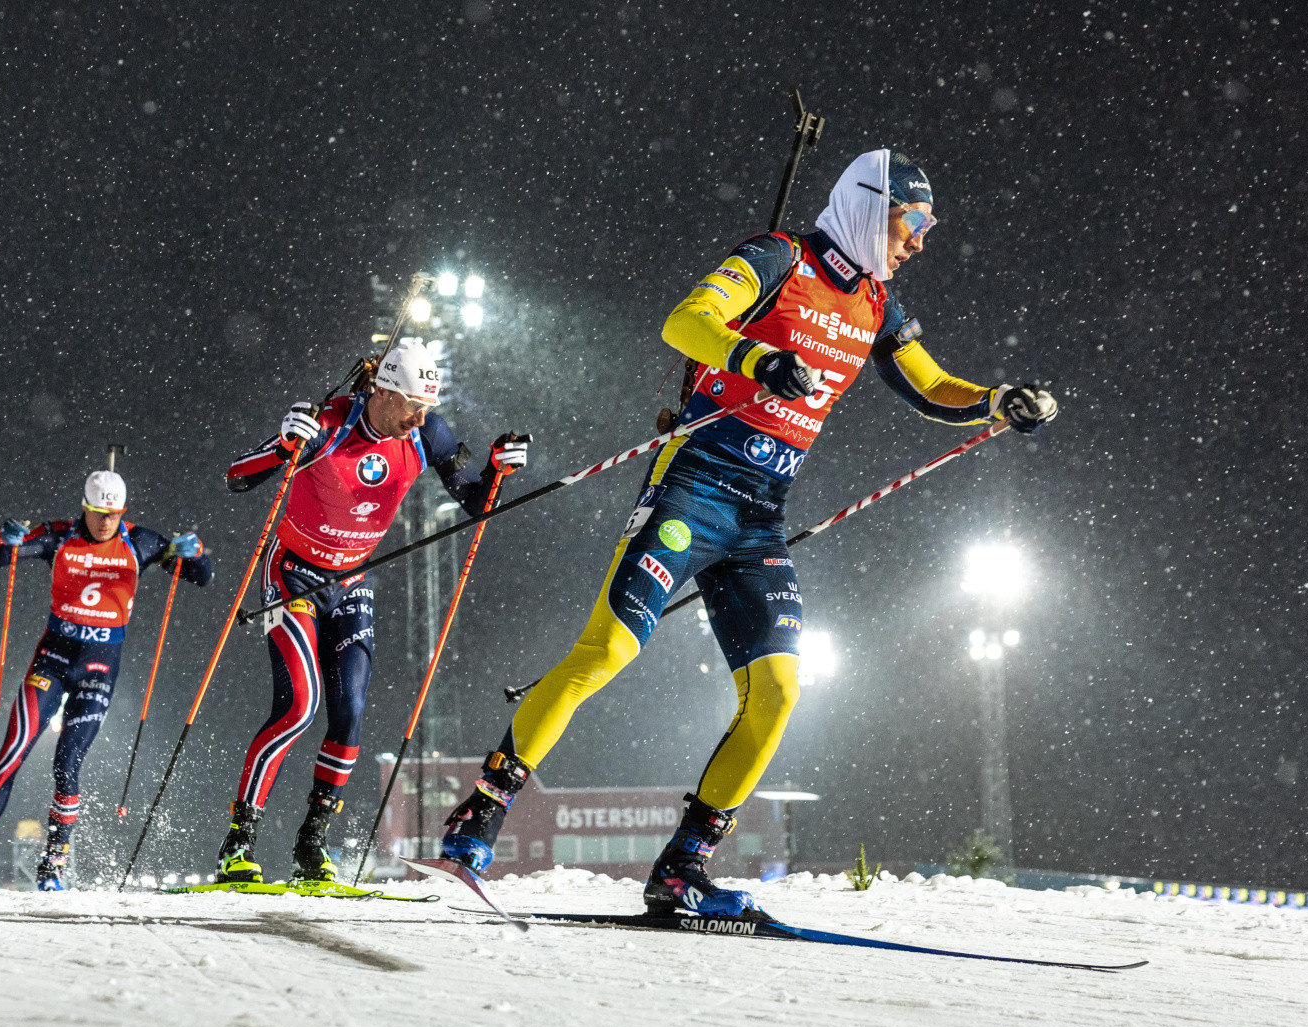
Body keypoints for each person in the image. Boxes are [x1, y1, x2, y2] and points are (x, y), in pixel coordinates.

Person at [440, 150, 1059, 917]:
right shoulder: (774, 259)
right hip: (694, 485)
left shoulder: (879, 305)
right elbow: (684, 322)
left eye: (928, 226)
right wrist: (756, 357)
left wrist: (1000, 399)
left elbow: (933, 385)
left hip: (761, 514)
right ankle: (482, 812)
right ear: (872, 206)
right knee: (609, 650)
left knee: (777, 690)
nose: (921, 241)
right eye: (914, 221)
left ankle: (681, 870)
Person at [216, 339, 530, 884]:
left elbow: (476, 504)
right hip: (292, 574)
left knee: (351, 713)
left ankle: (311, 846)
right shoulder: (331, 424)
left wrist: (498, 469)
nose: (421, 416)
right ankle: (238, 843)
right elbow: (237, 477)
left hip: (352, 580)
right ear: (383, 392)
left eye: (427, 405)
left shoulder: (428, 434)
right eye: (412, 403)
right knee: (299, 707)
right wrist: (284, 443)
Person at [0, 470, 213, 890]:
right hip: (52, 660)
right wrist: (4, 540)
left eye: (114, 513)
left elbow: (201, 576)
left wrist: (194, 555)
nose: (106, 521)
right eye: (99, 512)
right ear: (85, 507)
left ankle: (53, 865)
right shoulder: (58, 536)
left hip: (98, 671)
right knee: (12, 751)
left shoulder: (141, 542)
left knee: (67, 765)